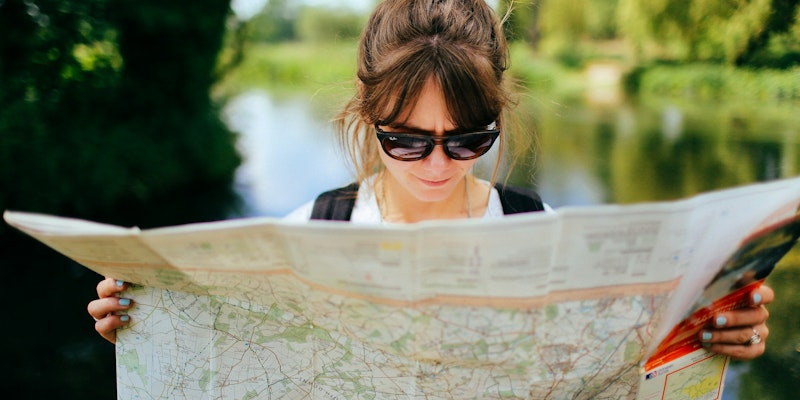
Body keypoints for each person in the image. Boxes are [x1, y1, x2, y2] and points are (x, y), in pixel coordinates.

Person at [87, 0, 774, 362]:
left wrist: (714, 334)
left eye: (469, 139)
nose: (440, 167)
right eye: (407, 141)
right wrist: (151, 330)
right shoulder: (310, 231)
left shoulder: (540, 230)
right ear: (368, 117)